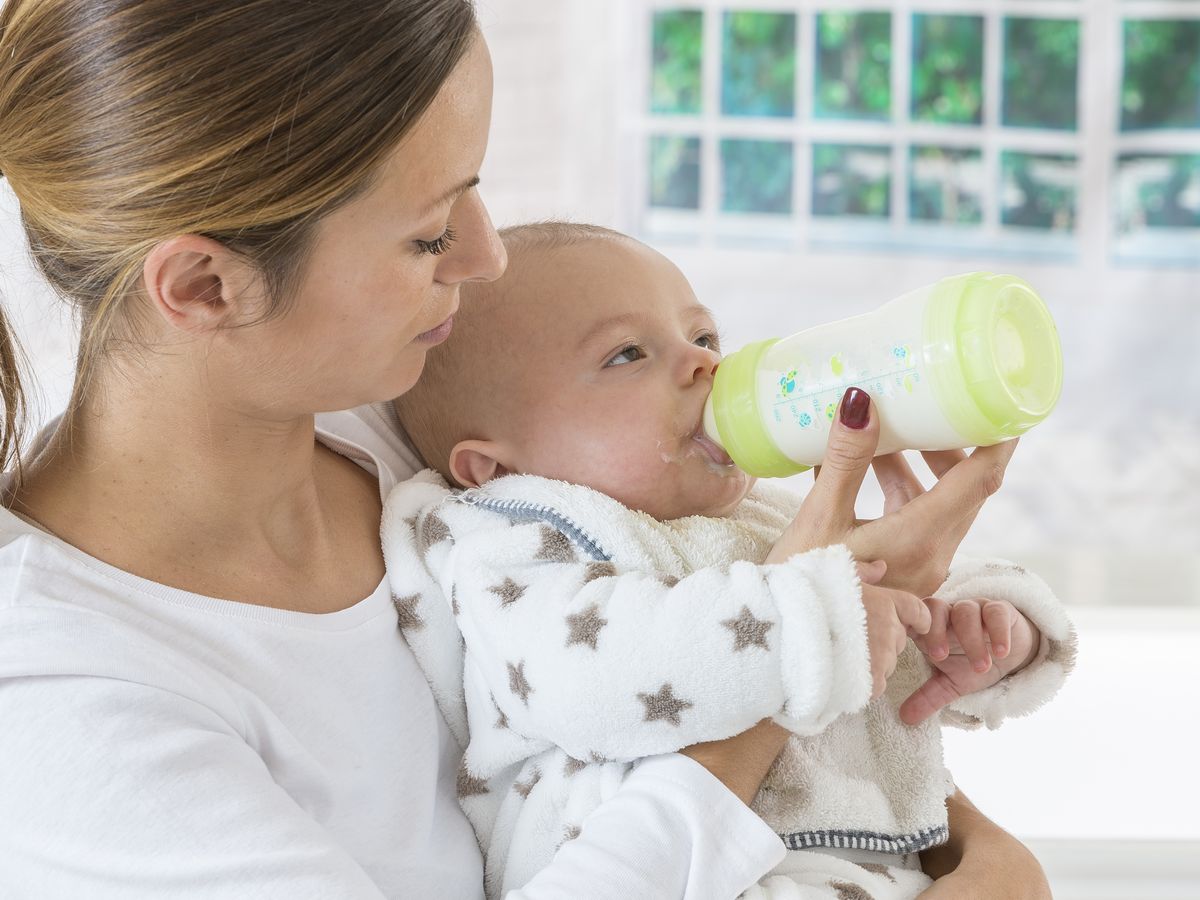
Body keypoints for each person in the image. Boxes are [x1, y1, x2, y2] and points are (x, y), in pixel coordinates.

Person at [0, 1, 1051, 897]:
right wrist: (805, 630)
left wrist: (976, 842)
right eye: (428, 234)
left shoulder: (397, 411)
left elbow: (744, 645)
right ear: (204, 287)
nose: (488, 253)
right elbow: (765, 660)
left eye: (472, 189)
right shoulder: (66, 702)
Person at [386, 222, 1077, 898]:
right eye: (627, 354)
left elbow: (874, 620)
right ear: (495, 465)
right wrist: (813, 610)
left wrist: (979, 628)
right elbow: (599, 677)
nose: (705, 364)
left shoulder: (758, 517)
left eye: (704, 335)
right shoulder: (517, 542)